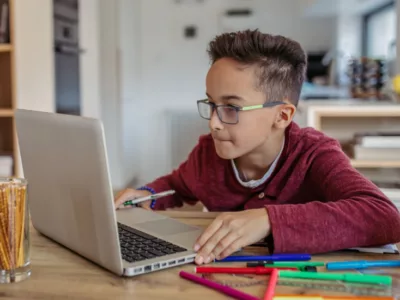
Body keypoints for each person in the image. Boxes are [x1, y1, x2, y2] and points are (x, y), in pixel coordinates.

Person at [114, 29, 400, 265]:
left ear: (282, 116)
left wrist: (269, 220)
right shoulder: (207, 154)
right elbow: (178, 184)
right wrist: (148, 195)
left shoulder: (314, 155)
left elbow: (384, 217)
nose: (213, 122)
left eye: (231, 107)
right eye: (211, 104)